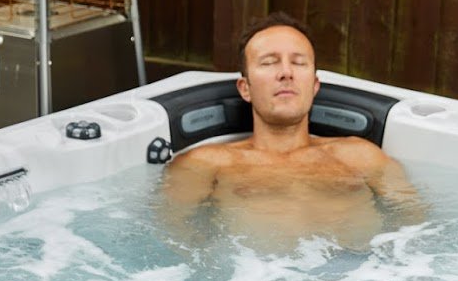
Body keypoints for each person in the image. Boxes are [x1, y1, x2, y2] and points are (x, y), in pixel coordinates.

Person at [163, 13, 425, 247]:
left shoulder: (360, 156)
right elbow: (175, 238)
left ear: (314, 85)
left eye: (299, 63)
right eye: (269, 62)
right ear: (245, 88)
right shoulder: (206, 162)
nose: (286, 72)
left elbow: (416, 228)